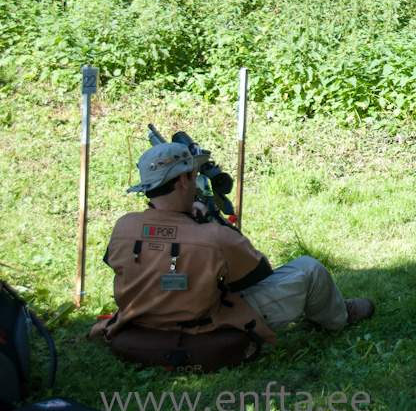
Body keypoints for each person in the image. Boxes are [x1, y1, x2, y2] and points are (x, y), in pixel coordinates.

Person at [91, 141, 374, 344]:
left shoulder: (123, 225)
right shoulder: (213, 235)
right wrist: (213, 221)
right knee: (310, 269)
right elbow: (259, 273)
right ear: (182, 181)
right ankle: (338, 317)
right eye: (193, 176)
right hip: (206, 325)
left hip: (144, 320)